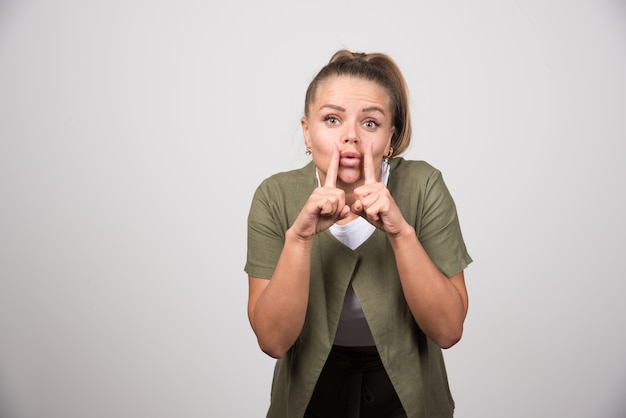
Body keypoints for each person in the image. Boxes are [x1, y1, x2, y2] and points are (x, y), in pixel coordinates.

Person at [245, 49, 473, 418]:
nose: (350, 137)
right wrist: (299, 240)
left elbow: (448, 331)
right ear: (307, 130)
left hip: (406, 386)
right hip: (312, 385)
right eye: (332, 119)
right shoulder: (275, 196)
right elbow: (272, 341)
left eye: (370, 124)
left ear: (390, 137)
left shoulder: (423, 184)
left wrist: (401, 234)